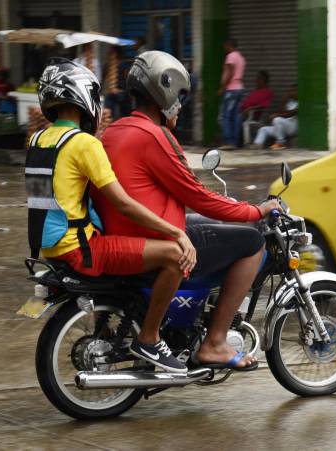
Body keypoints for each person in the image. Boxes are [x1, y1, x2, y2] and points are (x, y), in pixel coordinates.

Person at [93, 51, 281, 370]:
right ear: (163, 92)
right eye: (179, 96)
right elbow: (198, 195)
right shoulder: (155, 136)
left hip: (130, 230)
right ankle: (216, 342)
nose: (180, 104)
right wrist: (255, 211)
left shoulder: (114, 131)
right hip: (153, 238)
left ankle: (190, 320)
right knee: (252, 242)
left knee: (210, 225)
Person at [25, 58, 196, 373]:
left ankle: (107, 328)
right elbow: (123, 203)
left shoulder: (39, 141)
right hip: (80, 249)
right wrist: (176, 233)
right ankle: (150, 338)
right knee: (175, 256)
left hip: (50, 250)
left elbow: (54, 198)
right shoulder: (83, 144)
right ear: (83, 97)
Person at [218, 38, 246, 149]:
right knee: (235, 117)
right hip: (239, 89)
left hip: (231, 90)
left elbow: (229, 73)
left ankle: (228, 142)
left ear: (229, 45)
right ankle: (235, 142)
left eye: (225, 45)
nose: (224, 47)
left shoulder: (231, 56)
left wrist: (222, 88)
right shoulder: (241, 57)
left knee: (226, 116)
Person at [253, 84, 298, 150]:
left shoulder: (302, 102)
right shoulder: (290, 101)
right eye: (290, 91)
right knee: (263, 129)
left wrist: (277, 115)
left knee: (277, 119)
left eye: (293, 91)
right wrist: (284, 100)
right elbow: (281, 112)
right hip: (284, 128)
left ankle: (281, 143)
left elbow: (291, 113)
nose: (291, 93)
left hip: (294, 127)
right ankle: (257, 145)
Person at [240, 70, 274, 144]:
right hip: (243, 112)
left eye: (258, 78)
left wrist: (250, 108)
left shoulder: (267, 92)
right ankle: (234, 141)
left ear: (264, 80)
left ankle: (235, 142)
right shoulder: (255, 91)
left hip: (252, 115)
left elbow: (264, 105)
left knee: (237, 119)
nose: (256, 80)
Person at [103, 46, 132, 119]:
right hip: (112, 94)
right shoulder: (108, 65)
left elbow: (127, 80)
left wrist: (120, 90)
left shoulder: (124, 65)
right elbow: (105, 79)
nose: (108, 54)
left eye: (111, 52)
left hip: (122, 94)